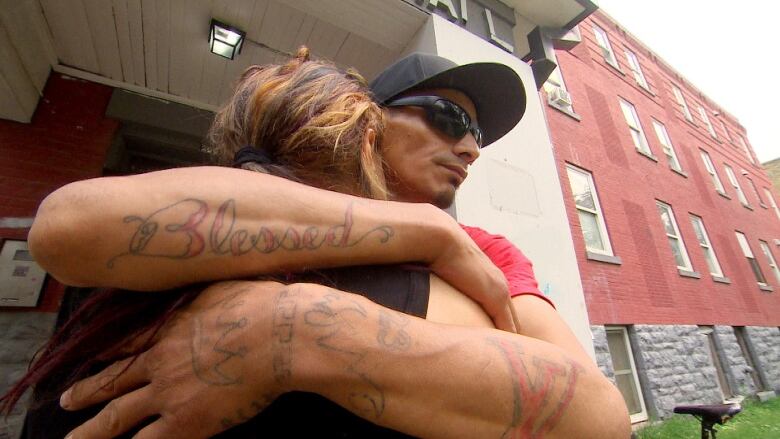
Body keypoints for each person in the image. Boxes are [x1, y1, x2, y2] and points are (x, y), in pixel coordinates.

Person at [9, 50, 630, 438]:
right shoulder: (245, 201)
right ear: (367, 120)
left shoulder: (486, 250)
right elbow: (67, 228)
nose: (470, 147)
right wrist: (428, 230)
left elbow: (596, 414)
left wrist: (293, 328)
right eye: (450, 117)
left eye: (477, 136)